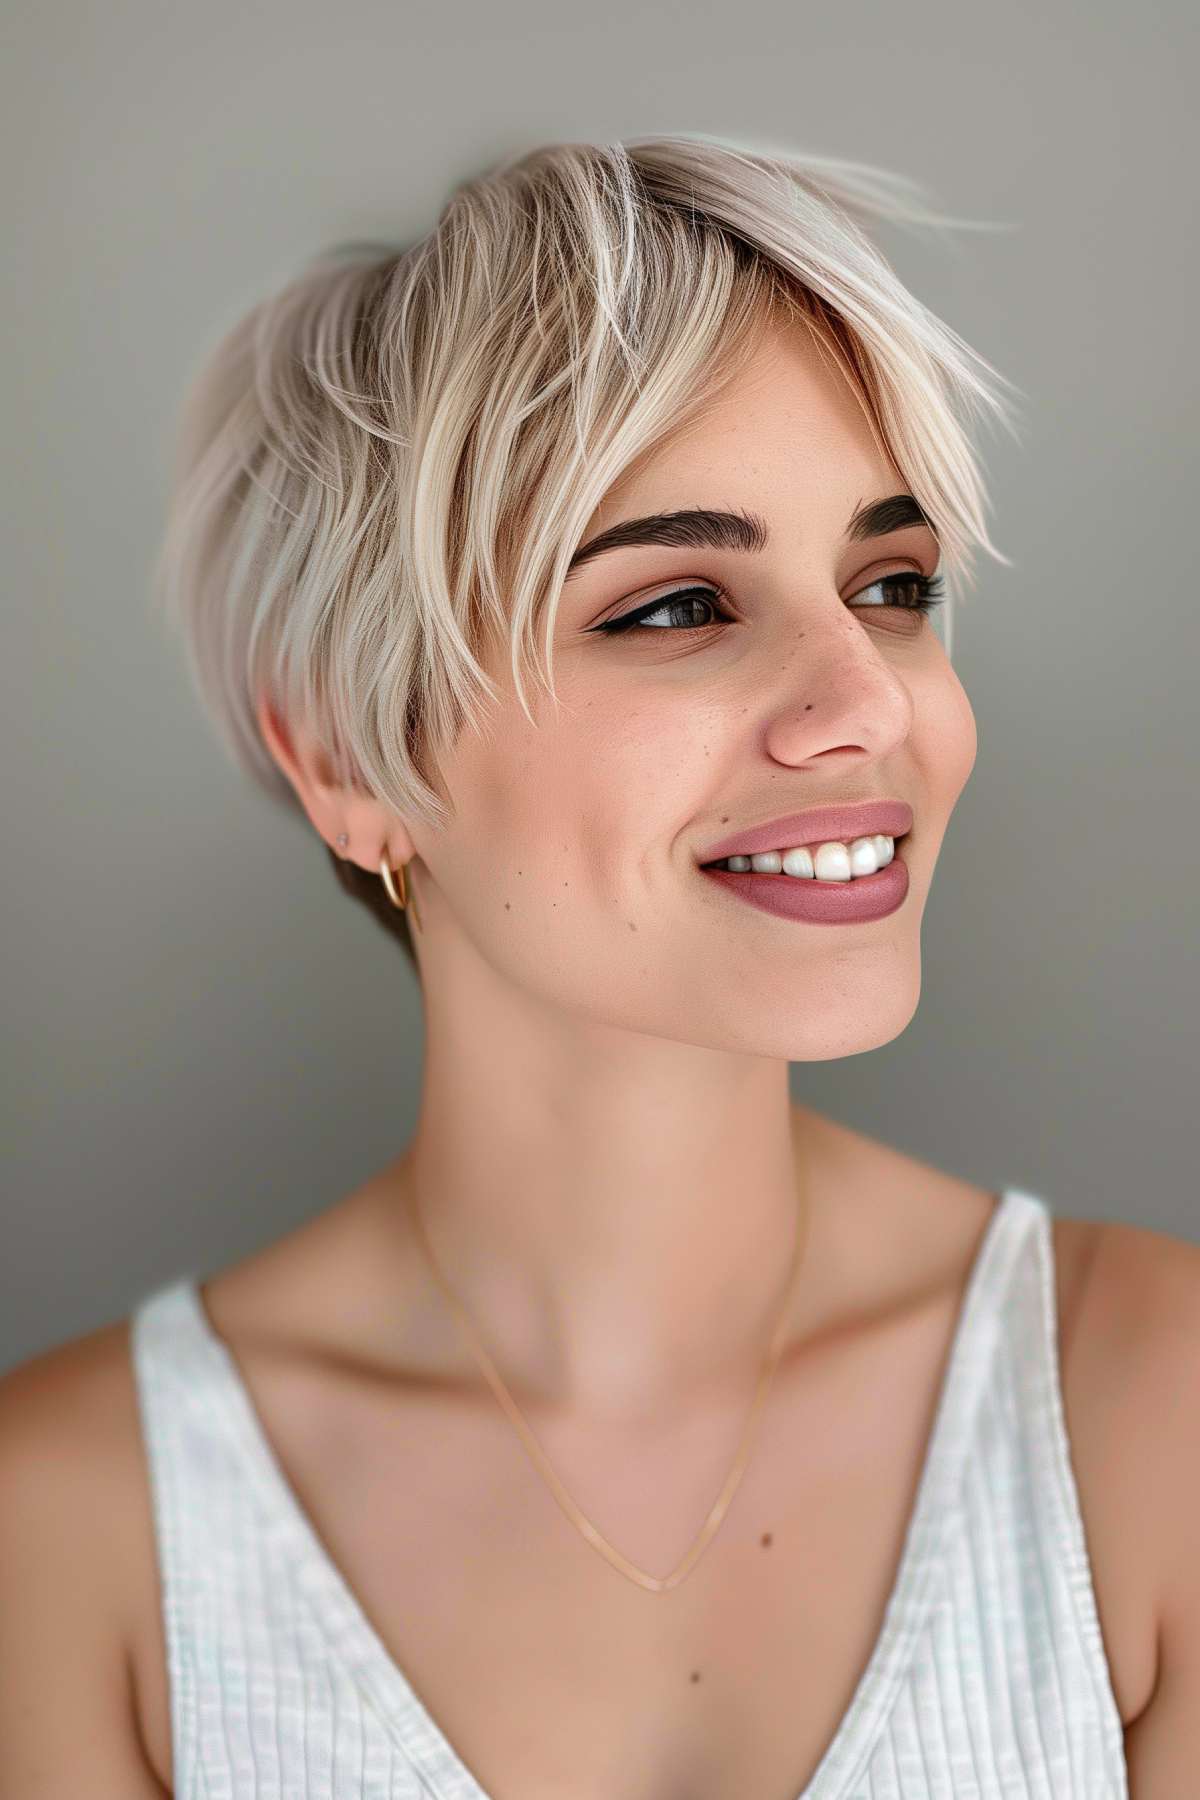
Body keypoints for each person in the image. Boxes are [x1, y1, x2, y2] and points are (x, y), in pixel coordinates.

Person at [1, 132, 1195, 1798]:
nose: (868, 699)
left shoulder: (1155, 1413)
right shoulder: (64, 1539)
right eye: (675, 607)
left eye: (893, 584)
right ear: (351, 761)